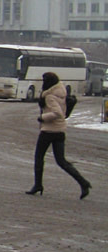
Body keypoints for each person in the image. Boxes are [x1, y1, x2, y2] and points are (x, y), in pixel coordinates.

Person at [26, 71, 92, 199]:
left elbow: (58, 113)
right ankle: (83, 183)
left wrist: (42, 117)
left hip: (49, 131)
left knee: (39, 157)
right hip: (60, 131)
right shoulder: (61, 93)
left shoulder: (50, 96)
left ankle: (38, 185)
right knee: (61, 161)